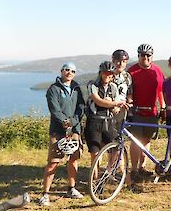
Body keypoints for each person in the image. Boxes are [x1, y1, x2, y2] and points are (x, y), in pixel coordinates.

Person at [39, 62, 85, 206]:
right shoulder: (53, 89)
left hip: (75, 130)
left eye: (72, 71)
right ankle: (45, 194)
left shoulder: (77, 88)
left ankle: (71, 188)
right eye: (67, 70)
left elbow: (81, 107)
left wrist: (73, 122)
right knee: (53, 162)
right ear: (61, 71)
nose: (69, 72)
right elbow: (54, 109)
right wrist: (65, 121)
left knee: (73, 159)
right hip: (58, 131)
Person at [128, 43, 166, 180]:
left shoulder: (157, 71)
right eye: (143, 55)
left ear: (152, 56)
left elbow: (161, 91)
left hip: (152, 112)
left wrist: (163, 107)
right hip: (137, 112)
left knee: (146, 140)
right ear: (138, 56)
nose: (145, 58)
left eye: (148, 55)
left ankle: (142, 167)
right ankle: (133, 169)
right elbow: (128, 92)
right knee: (135, 141)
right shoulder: (131, 71)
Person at [84, 61, 128, 168]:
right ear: (100, 73)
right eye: (105, 73)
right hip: (94, 121)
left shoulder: (113, 87)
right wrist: (114, 103)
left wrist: (117, 106)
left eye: (110, 73)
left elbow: (116, 107)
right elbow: (98, 100)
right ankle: (95, 181)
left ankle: (109, 173)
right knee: (95, 153)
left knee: (115, 149)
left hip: (109, 121)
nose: (107, 75)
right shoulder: (92, 85)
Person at [111, 49, 133, 130]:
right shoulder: (108, 75)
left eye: (124, 61)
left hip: (122, 112)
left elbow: (129, 95)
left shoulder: (127, 76)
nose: (121, 64)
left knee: (119, 137)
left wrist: (129, 104)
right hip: (109, 111)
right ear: (113, 61)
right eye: (118, 61)